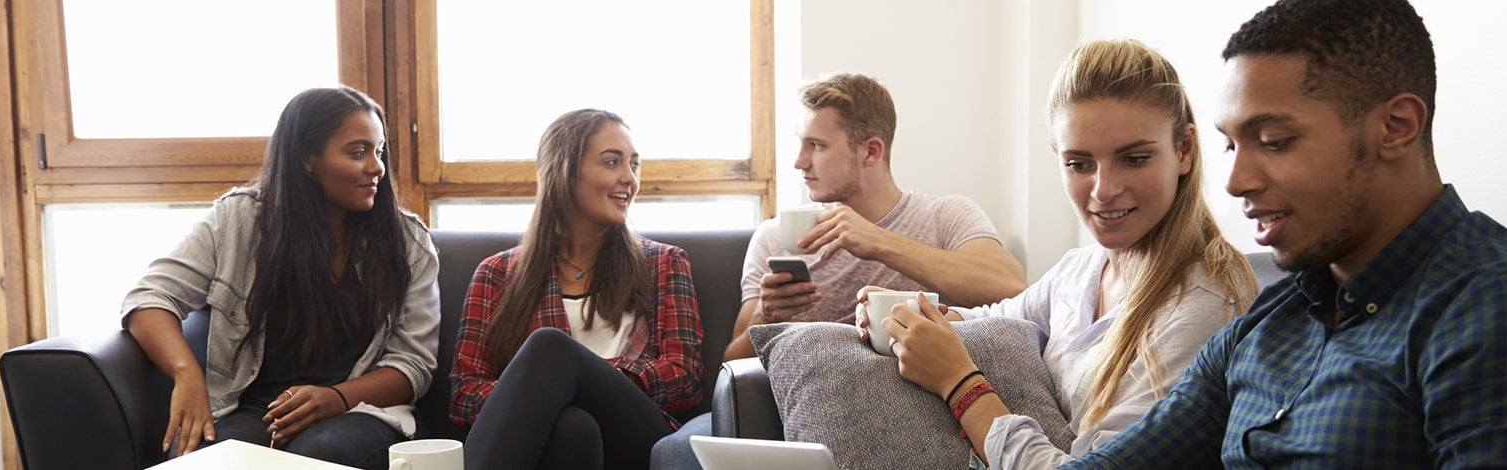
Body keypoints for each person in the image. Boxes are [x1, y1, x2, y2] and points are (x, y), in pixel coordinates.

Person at [951, 0, 1507, 467]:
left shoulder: (1506, 317)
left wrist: (968, 393)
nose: (1235, 182)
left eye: (1275, 141)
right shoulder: (1272, 321)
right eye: (1234, 145)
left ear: (1396, 127)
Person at [873, 38, 1259, 469]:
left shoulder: (1203, 306)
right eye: (1079, 164)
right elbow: (1000, 317)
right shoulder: (1082, 268)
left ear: (1183, 150)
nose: (1104, 190)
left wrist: (960, 384)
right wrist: (911, 315)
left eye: (1133, 159)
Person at [653, 72, 1031, 469]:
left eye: (815, 146)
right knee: (675, 451)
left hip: (915, 411)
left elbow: (1008, 284)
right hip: (790, 409)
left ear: (870, 152)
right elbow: (732, 362)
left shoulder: (945, 216)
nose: (799, 162)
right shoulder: (773, 238)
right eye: (800, 144)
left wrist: (878, 241)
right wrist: (768, 314)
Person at [121, 86, 441, 467]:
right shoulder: (237, 221)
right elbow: (150, 297)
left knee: (324, 451)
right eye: (358, 152)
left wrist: (334, 398)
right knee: (218, 457)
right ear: (308, 159)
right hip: (255, 410)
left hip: (360, 412)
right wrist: (185, 372)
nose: (377, 167)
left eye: (379, 151)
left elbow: (414, 366)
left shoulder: (409, 242)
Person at [451, 109, 704, 469]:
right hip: (550, 441)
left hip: (636, 435)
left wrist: (582, 376)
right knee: (572, 426)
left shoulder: (664, 263)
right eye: (612, 162)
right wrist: (546, 395)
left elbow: (685, 378)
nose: (629, 178)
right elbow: (463, 396)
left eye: (634, 164)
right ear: (565, 172)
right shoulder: (497, 274)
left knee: (550, 348)